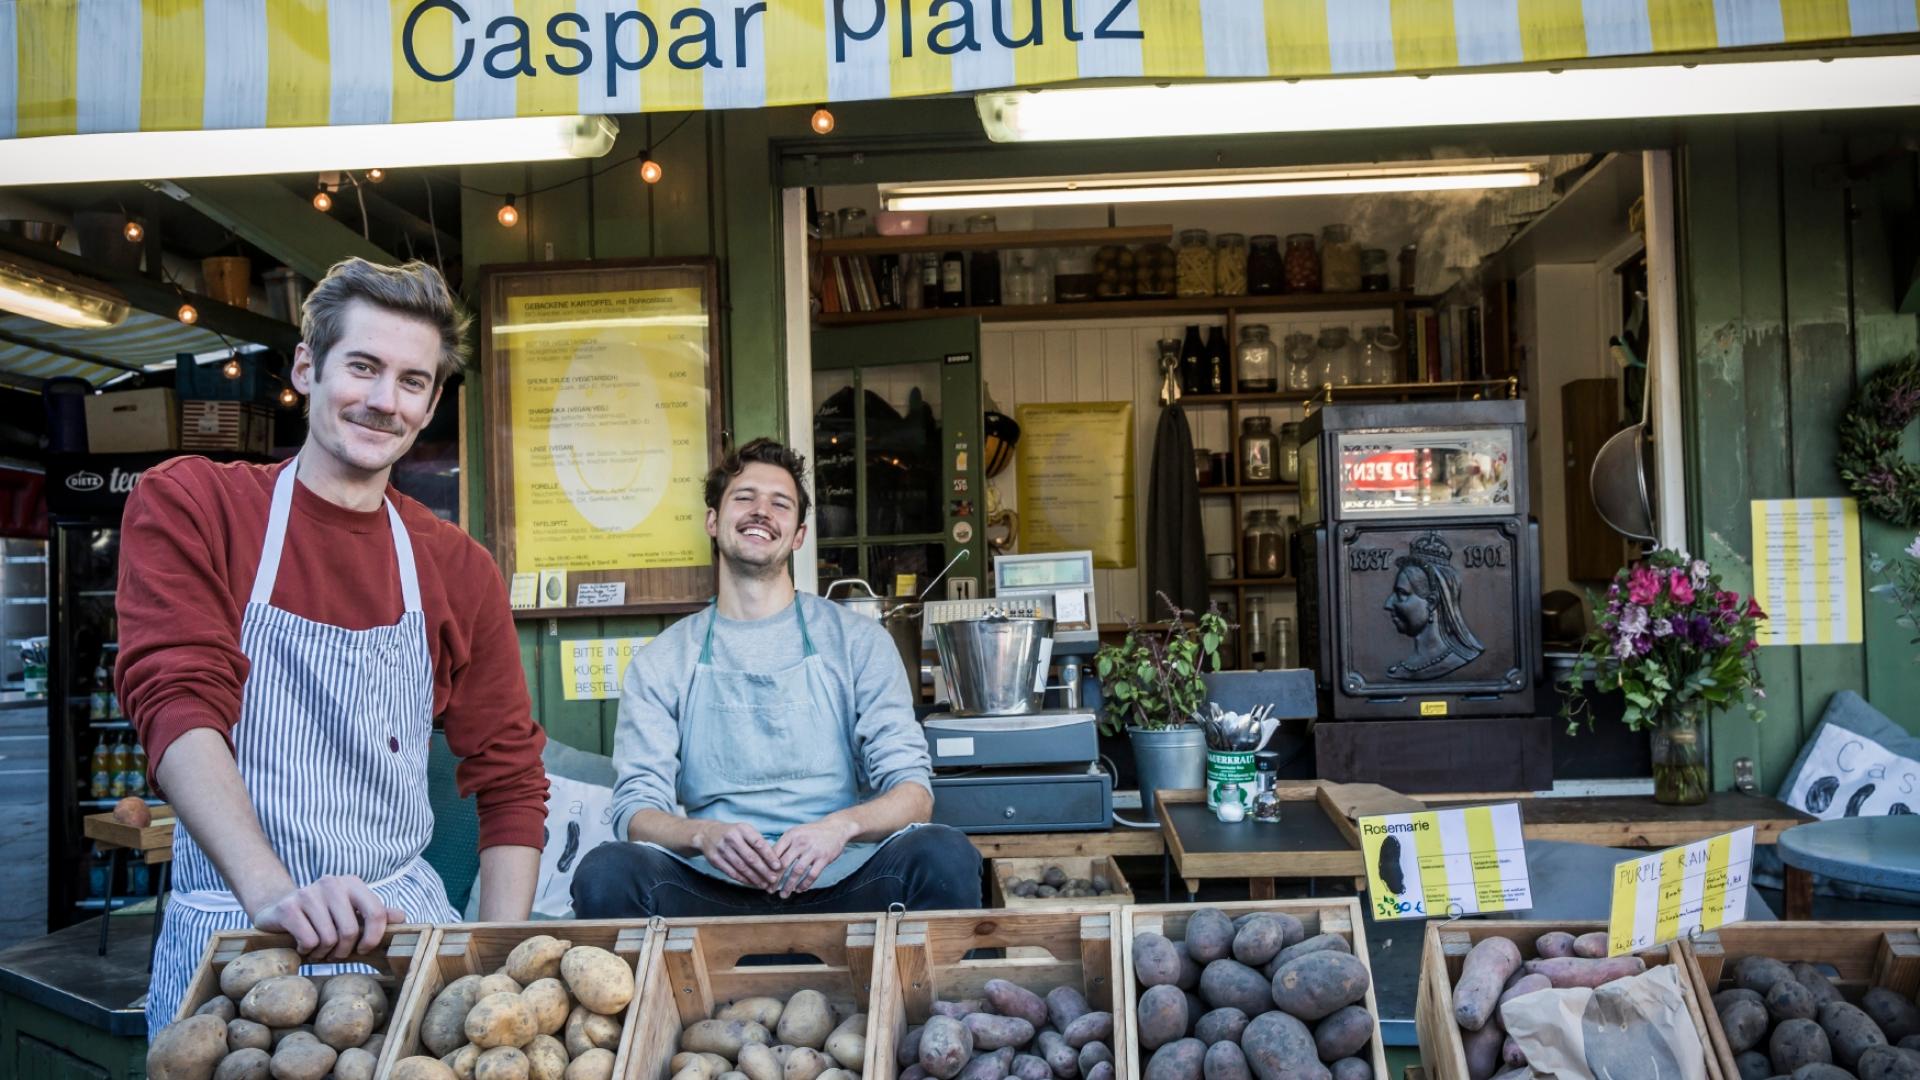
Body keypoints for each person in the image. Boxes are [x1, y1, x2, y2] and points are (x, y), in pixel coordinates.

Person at [117, 259, 548, 1033]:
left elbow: (511, 779)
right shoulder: (195, 505)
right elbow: (176, 701)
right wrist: (273, 892)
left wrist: (498, 963)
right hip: (237, 939)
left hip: (403, 942)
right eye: (363, 367)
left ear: (433, 402)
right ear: (307, 367)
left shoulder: (458, 568)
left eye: (413, 381)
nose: (385, 401)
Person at [570, 438, 980, 917]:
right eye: (744, 497)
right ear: (712, 521)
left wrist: (839, 828)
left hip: (844, 882)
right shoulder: (663, 661)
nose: (761, 511)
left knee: (945, 854)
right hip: (711, 888)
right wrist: (702, 835)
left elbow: (913, 794)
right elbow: (635, 813)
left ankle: (918, 993)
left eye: (779, 503)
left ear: (799, 535)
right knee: (606, 872)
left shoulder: (856, 642)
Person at [1383, 531, 1485, 681]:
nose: (1388, 604)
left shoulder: (1459, 660)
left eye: (1401, 593)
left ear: (1431, 602)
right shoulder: (1399, 670)